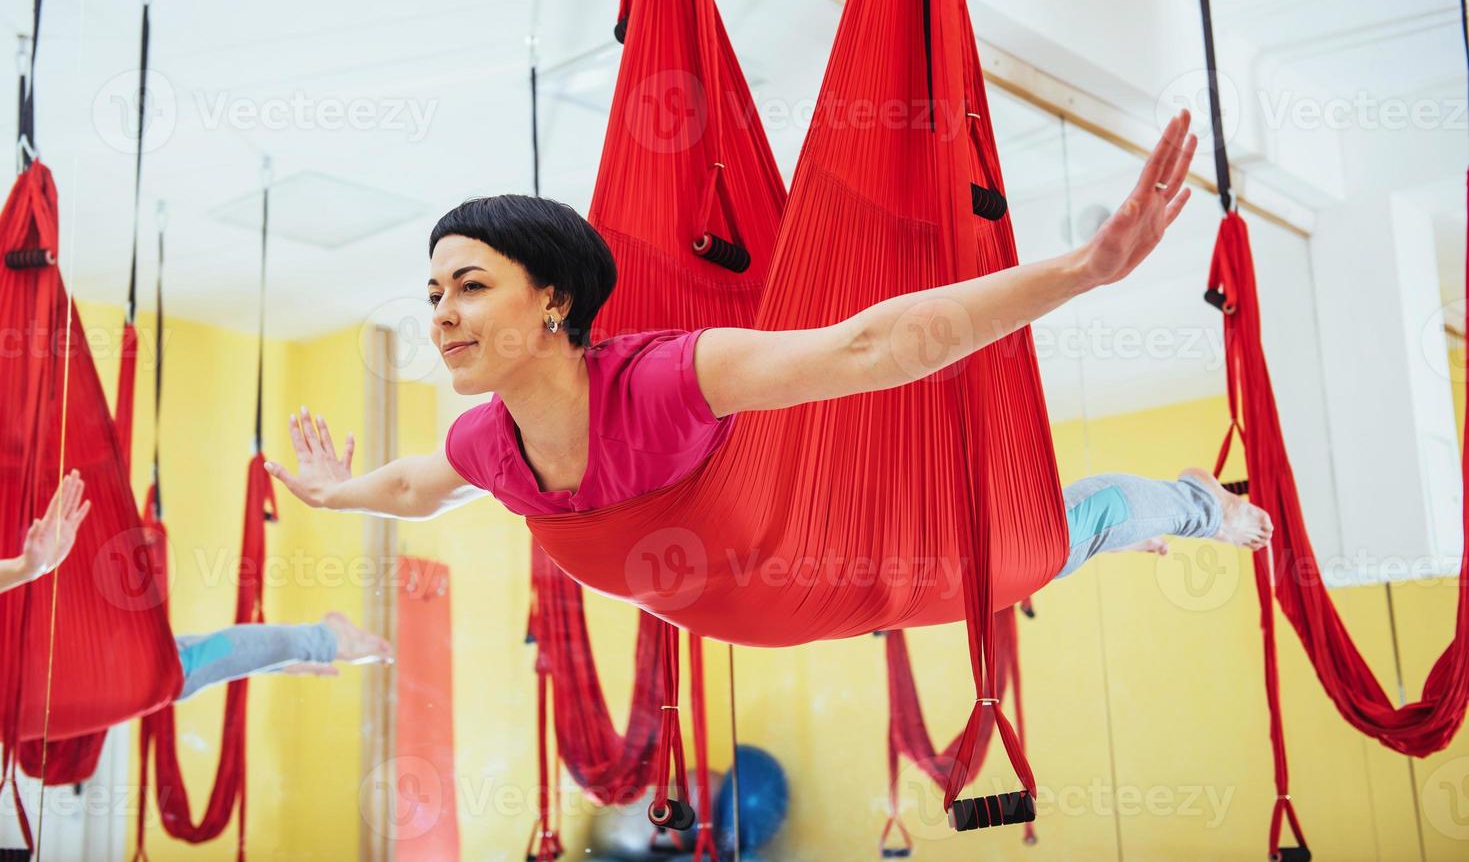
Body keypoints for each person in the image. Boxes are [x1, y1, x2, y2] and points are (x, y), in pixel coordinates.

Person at [265, 109, 1272, 583]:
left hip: (888, 564)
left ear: (554, 301)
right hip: (769, 607)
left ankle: (1195, 503)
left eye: (470, 285)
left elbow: (874, 346)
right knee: (1073, 530)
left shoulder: (666, 378)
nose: (439, 312)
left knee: (1065, 526)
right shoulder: (490, 444)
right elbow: (411, 486)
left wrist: (1081, 272)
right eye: (433, 289)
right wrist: (328, 492)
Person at [4, 471, 392, 702]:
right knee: (190, 660)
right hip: (53, 678)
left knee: (180, 667)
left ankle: (324, 641)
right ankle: (296, 652)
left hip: (61, 671)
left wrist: (27, 568)